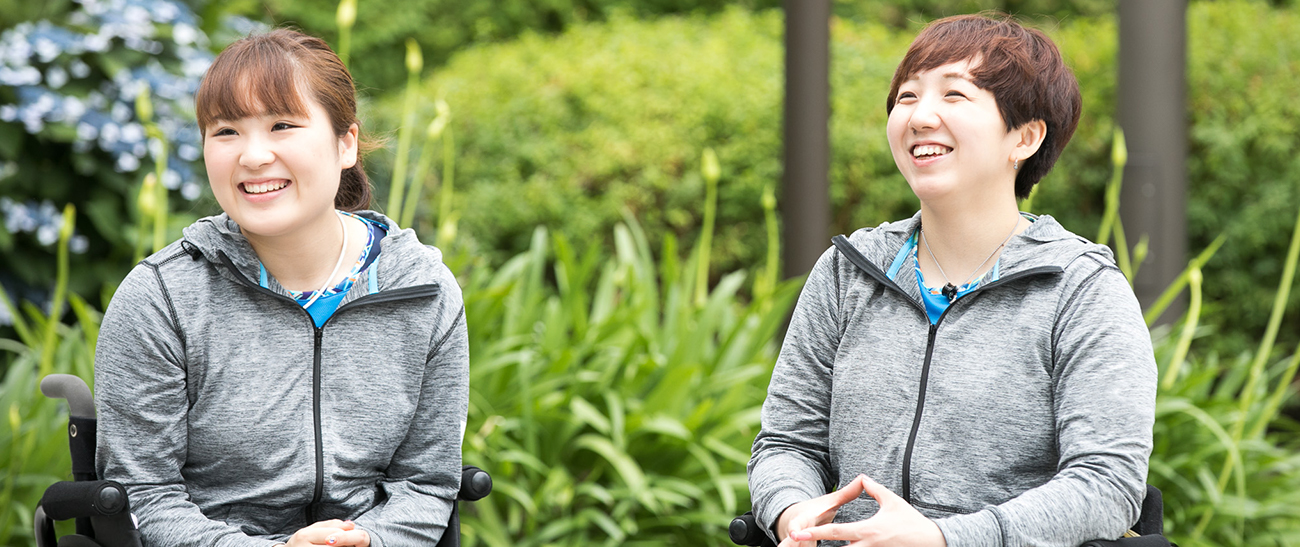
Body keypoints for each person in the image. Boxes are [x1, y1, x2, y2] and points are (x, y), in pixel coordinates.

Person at [747, 13, 1157, 547]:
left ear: (1026, 137)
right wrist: (794, 511)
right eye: (907, 97)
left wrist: (943, 538)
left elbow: (1107, 484)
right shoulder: (848, 271)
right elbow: (786, 443)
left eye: (955, 95)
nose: (919, 117)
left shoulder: (1080, 289)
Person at [94, 29, 468, 547]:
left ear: (346, 144)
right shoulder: (161, 298)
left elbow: (427, 484)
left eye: (282, 125)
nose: (252, 156)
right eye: (226, 131)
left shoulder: (423, 290)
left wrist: (368, 541)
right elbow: (145, 496)